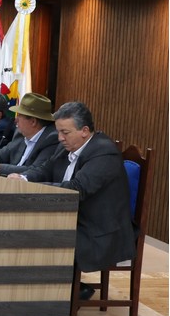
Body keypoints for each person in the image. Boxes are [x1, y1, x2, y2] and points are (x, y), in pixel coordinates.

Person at [10, 101, 136, 279]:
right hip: (71, 218)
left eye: (65, 132)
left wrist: (30, 188)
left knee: (36, 233)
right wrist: (23, 178)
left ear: (84, 131)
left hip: (96, 231)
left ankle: (57, 287)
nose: (60, 138)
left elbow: (77, 189)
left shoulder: (104, 152)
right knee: (23, 225)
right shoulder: (67, 146)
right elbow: (45, 169)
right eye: (59, 131)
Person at [0, 92, 59, 176]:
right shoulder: (20, 134)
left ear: (33, 122)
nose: (15, 119)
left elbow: (35, 170)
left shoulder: (51, 139)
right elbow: (1, 154)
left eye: (19, 115)